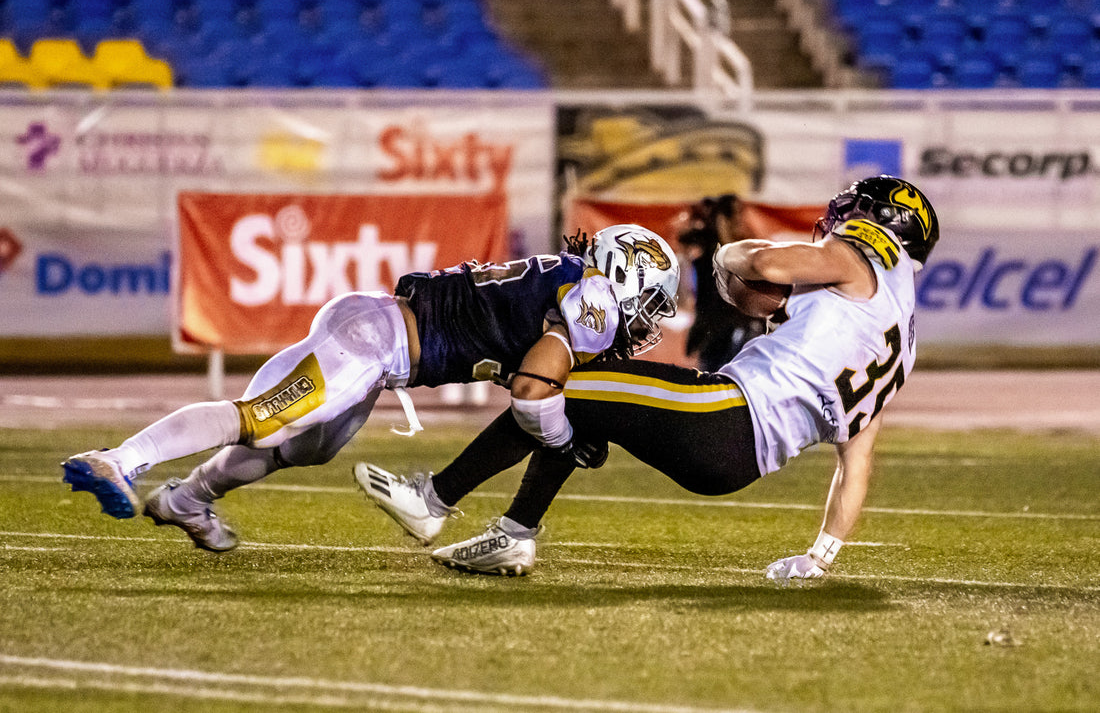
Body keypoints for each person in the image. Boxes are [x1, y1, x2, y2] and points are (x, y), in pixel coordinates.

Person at [359, 175, 939, 580]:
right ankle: (514, 532)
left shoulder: (865, 254)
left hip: (725, 414)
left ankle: (434, 499)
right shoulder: (897, 341)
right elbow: (856, 464)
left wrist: (727, 256)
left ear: (882, 223)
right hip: (738, 461)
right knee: (586, 396)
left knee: (561, 385)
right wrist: (821, 556)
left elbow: (762, 264)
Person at [62, 224, 680, 552]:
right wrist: (565, 438)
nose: (649, 320)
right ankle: (117, 460)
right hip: (375, 339)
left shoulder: (568, 278)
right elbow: (531, 395)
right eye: (650, 301)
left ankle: (185, 500)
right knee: (265, 418)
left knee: (301, 446)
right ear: (624, 274)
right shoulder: (592, 299)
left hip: (379, 347)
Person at [677, 194, 766, 370]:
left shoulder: (741, 248)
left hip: (739, 326)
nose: (740, 220)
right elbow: (686, 239)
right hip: (717, 330)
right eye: (735, 214)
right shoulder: (710, 248)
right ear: (724, 217)